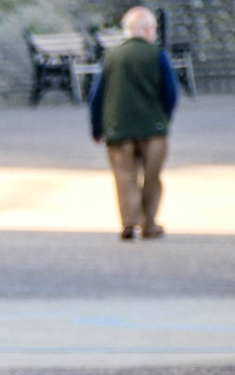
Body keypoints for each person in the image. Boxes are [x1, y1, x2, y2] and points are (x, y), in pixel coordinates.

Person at [89, 7, 179, 241]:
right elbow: (171, 92)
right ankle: (149, 224)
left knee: (125, 177)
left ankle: (129, 223)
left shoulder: (111, 57)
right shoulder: (158, 55)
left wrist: (97, 128)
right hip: (153, 129)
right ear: (149, 30)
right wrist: (164, 118)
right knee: (152, 178)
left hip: (118, 129)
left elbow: (96, 96)